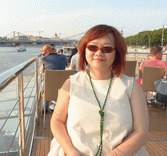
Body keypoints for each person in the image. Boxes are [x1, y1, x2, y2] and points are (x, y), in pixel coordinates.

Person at [48, 25, 149, 156]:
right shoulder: (71, 83)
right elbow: (57, 121)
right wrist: (71, 151)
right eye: (92, 47)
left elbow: (141, 132)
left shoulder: (132, 87)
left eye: (106, 49)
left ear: (116, 53)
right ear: (84, 50)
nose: (99, 53)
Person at [40, 45, 67, 112]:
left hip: (50, 86)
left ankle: (45, 107)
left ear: (47, 52)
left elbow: (42, 71)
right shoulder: (63, 57)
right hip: (62, 85)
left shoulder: (45, 59)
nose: (43, 56)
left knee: (45, 84)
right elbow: (65, 65)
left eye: (43, 54)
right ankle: (59, 105)